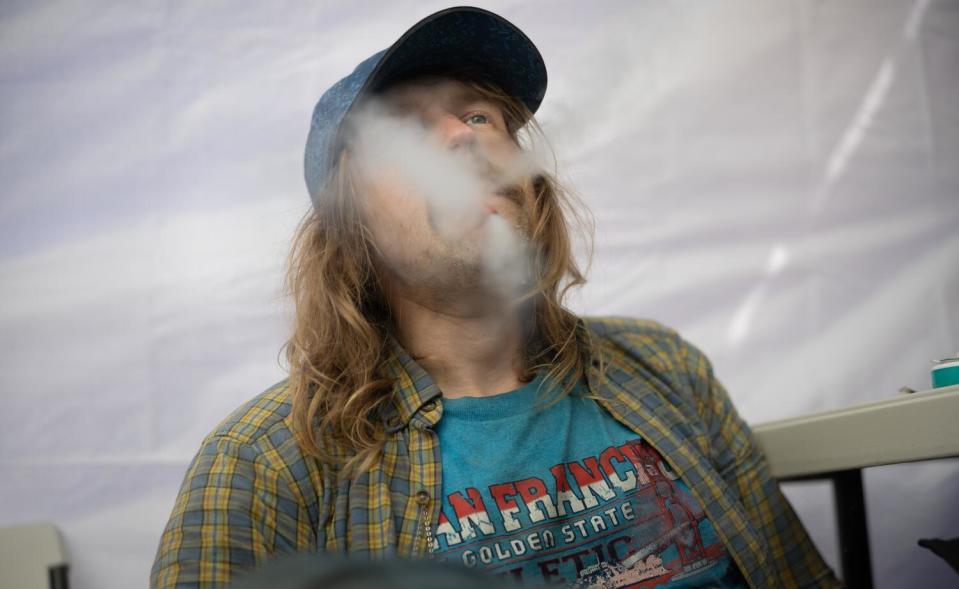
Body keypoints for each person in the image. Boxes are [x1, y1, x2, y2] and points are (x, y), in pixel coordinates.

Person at [151, 6, 841, 589]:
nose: (462, 136)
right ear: (349, 228)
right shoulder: (264, 459)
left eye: (480, 117)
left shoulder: (664, 368)